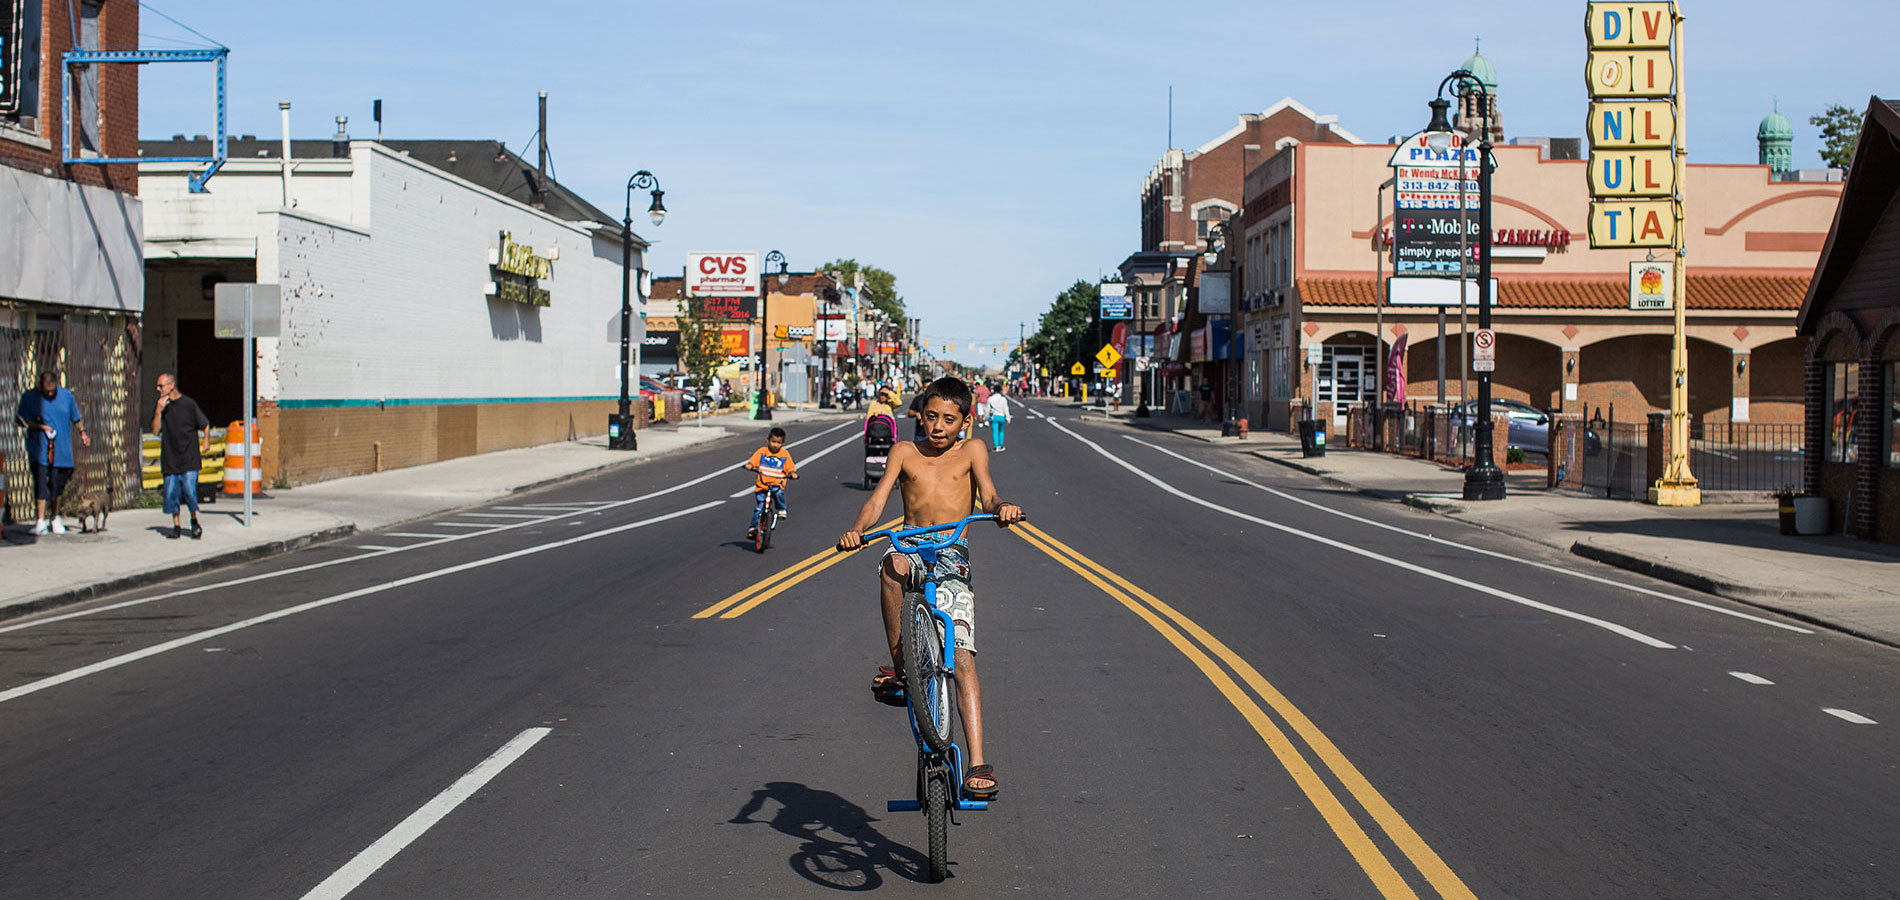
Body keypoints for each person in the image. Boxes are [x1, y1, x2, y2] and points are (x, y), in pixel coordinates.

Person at [837, 376, 1024, 801]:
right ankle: (902, 666)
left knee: (962, 658)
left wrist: (1002, 509)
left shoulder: (973, 450)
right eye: (931, 416)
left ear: (965, 421)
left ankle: (977, 763)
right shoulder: (905, 451)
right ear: (920, 414)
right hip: (911, 544)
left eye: (949, 420)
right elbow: (878, 500)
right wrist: (857, 529)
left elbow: (989, 496)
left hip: (951, 551)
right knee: (890, 566)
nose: (938, 427)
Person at [14, 371, 91, 535]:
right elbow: (21, 420)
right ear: (39, 387)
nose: (49, 394)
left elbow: (76, 418)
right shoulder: (30, 397)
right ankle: (40, 520)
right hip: (39, 448)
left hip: (61, 449)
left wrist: (82, 432)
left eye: (52, 391)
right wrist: (40, 427)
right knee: (41, 483)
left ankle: (55, 517)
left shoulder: (66, 396)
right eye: (46, 391)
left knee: (56, 485)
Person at [152, 373, 210, 540]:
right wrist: (158, 410)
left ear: (171, 385)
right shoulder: (162, 407)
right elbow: (155, 430)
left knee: (190, 491)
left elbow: (205, 424)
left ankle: (194, 521)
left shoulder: (188, 404)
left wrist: (206, 440)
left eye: (161, 386)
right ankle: (176, 525)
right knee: (171, 493)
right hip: (170, 457)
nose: (158, 389)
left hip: (189, 457)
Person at [743, 426, 799, 540]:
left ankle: (781, 509)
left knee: (778, 493)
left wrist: (793, 473)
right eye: (773, 441)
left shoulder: (784, 454)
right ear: (768, 440)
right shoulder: (762, 451)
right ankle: (752, 528)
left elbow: (790, 467)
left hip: (777, 483)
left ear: (783, 443)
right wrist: (750, 465)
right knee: (759, 507)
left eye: (778, 443)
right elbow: (753, 461)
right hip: (762, 484)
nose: (775, 445)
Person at [986, 383, 1012, 451]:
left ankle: (996, 446)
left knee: (995, 432)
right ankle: (1001, 445)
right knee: (1001, 431)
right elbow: (1006, 409)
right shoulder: (1003, 399)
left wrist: (986, 418)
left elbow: (987, 409)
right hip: (1002, 416)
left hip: (994, 416)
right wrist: (1008, 418)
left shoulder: (990, 398)